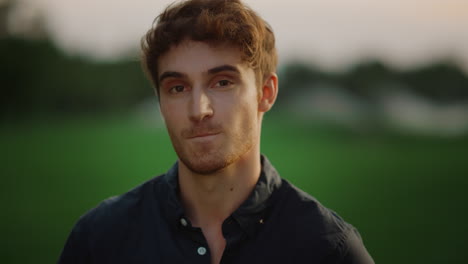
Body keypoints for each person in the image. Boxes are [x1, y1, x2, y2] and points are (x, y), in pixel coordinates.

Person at [58, 0, 374, 263]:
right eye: (177, 87)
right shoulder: (99, 240)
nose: (199, 110)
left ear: (265, 93)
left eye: (222, 82)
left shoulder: (328, 250)